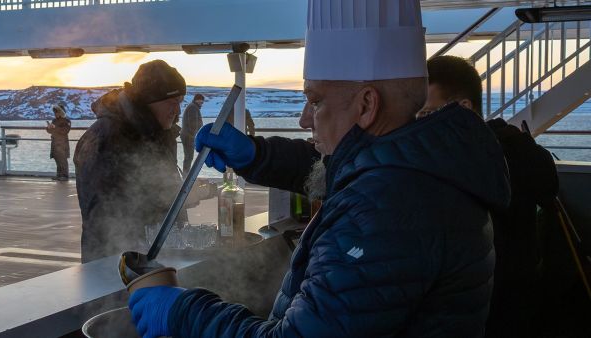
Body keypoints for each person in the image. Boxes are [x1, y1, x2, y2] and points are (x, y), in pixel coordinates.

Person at [128, 1, 510, 337]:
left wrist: (183, 312)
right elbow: (342, 167)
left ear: (366, 105)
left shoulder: (386, 211)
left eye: (315, 101)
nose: (303, 119)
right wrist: (254, 154)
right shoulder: (418, 167)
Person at [421, 55, 559, 338]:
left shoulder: (497, 155)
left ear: (463, 108)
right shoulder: (516, 147)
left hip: (502, 293)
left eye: (427, 114)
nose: (418, 125)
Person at [74, 60, 186, 263]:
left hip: (156, 256)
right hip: (116, 264)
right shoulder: (106, 138)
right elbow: (106, 214)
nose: (177, 111)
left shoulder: (156, 133)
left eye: (180, 102)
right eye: (172, 102)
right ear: (149, 101)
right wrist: (171, 196)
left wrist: (179, 194)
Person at [46, 104, 71, 181]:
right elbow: (50, 131)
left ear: (61, 112)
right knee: (57, 159)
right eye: (54, 113)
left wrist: (55, 128)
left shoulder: (67, 121)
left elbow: (65, 131)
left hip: (62, 143)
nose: (55, 114)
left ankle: (65, 176)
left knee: (62, 160)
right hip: (55, 143)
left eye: (56, 112)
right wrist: (48, 128)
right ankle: (59, 175)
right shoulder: (54, 120)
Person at [181, 94, 204, 173]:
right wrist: (195, 136)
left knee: (188, 157)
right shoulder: (193, 108)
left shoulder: (193, 107)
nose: (202, 103)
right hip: (189, 136)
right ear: (197, 100)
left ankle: (186, 176)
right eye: (201, 101)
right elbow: (193, 124)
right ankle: (186, 177)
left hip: (188, 136)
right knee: (188, 157)